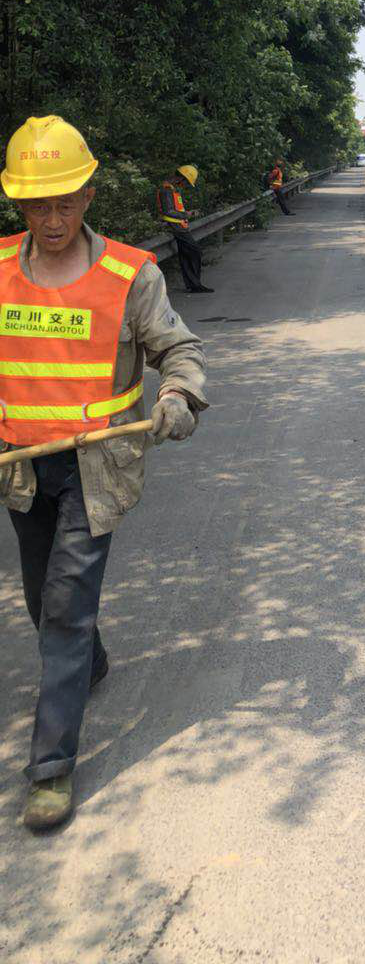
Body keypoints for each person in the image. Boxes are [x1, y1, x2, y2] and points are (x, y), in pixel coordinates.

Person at [0, 115, 207, 832]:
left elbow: (177, 353)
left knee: (62, 605)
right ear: (17, 203)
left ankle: (50, 769)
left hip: (98, 470)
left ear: (88, 195)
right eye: (36, 204)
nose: (51, 219)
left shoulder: (129, 274)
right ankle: (85, 660)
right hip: (23, 472)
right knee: (41, 600)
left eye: (64, 201)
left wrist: (178, 396)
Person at [156, 165, 212, 294]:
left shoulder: (173, 189)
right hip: (175, 227)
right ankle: (195, 285)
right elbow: (168, 211)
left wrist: (186, 214)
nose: (185, 185)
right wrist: (188, 215)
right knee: (194, 252)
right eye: (186, 182)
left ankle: (193, 285)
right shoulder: (167, 190)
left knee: (186, 255)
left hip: (179, 226)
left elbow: (174, 209)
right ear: (181, 178)